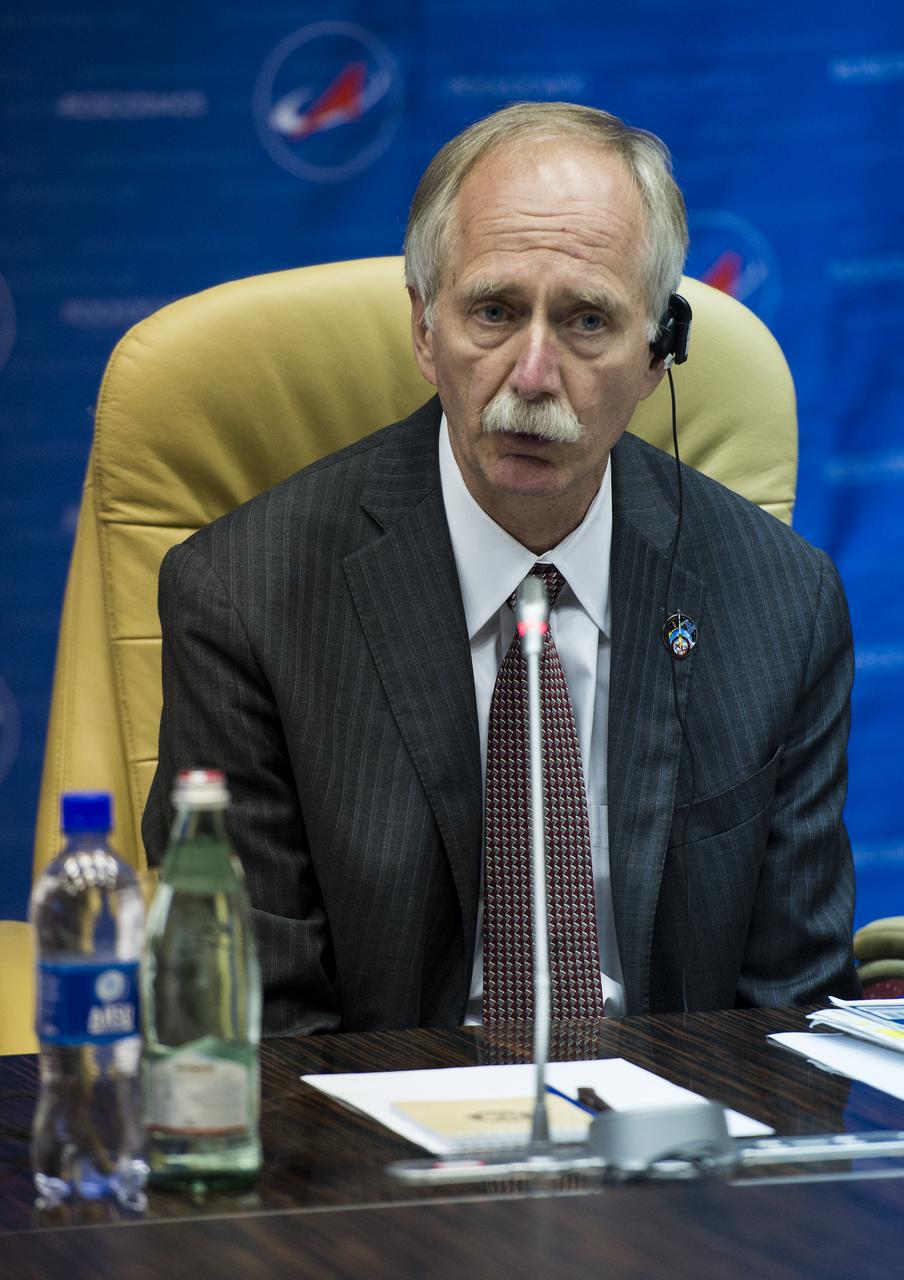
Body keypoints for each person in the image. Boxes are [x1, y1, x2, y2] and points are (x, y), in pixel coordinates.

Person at [142, 102, 859, 1036]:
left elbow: (790, 1021)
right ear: (425, 328)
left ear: (656, 355)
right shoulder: (245, 599)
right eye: (493, 311)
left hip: (676, 1144)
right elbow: (250, 1024)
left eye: (588, 321)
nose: (531, 374)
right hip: (374, 1150)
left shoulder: (781, 603)